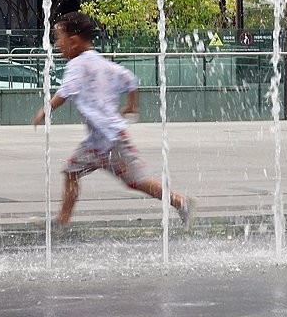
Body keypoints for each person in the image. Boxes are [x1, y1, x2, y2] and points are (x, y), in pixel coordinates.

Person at [32, 12, 194, 228]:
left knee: (136, 180)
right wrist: (131, 105)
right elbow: (130, 80)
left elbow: (66, 91)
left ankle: (180, 201)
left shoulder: (78, 64)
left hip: (110, 139)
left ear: (74, 41)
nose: (57, 45)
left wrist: (46, 109)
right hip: (99, 140)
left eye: (59, 39)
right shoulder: (101, 62)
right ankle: (62, 220)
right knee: (72, 171)